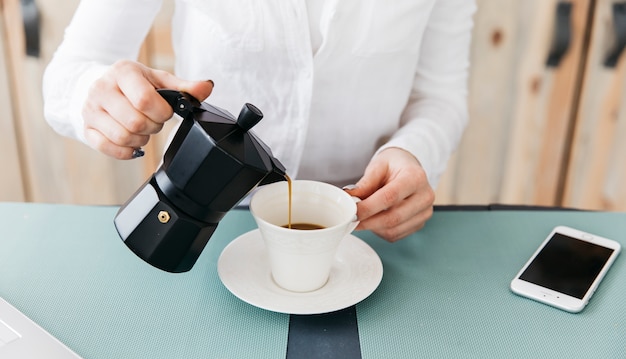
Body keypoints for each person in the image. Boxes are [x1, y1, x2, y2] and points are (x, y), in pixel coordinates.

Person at [43, 0, 476, 242]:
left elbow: (440, 96)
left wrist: (414, 151)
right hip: (206, 226)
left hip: (364, 228)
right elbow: (70, 72)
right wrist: (96, 96)